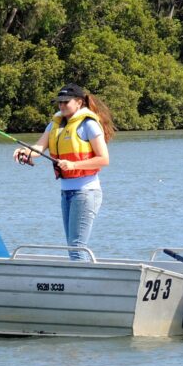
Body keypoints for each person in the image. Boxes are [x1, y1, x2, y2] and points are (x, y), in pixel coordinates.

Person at [13, 83, 115, 260]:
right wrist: (26, 151)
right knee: (73, 247)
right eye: (59, 102)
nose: (61, 106)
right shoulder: (55, 124)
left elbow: (104, 159)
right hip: (66, 192)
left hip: (86, 192)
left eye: (65, 102)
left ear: (79, 102)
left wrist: (74, 165)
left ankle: (82, 286)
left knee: (77, 248)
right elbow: (39, 147)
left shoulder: (88, 124)